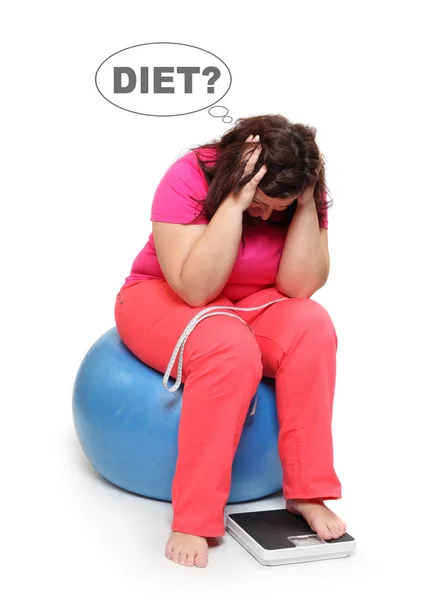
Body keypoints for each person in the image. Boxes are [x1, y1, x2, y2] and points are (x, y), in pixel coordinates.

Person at [114, 114, 347, 569]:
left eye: (278, 209)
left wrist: (303, 206)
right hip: (165, 295)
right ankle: (195, 517)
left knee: (313, 325)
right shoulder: (190, 174)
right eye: (262, 203)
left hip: (252, 304)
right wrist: (236, 203)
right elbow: (194, 288)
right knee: (230, 349)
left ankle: (308, 492)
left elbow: (299, 286)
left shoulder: (299, 189)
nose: (267, 216)